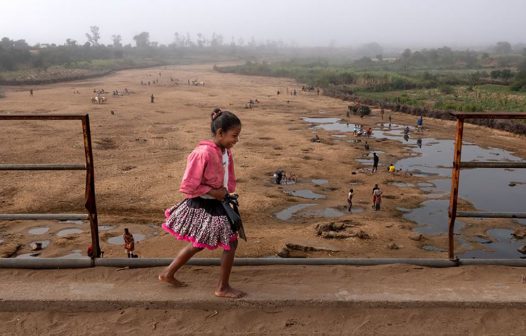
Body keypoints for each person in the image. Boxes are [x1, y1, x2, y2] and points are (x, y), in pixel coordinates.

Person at [159, 109, 245, 298]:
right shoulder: (202, 153)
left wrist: (226, 191)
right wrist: (214, 192)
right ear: (220, 133)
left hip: (216, 203)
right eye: (234, 136)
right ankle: (222, 288)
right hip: (205, 204)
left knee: (199, 243)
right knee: (231, 242)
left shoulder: (225, 151)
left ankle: (168, 273)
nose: (236, 141)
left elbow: (226, 174)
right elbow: (188, 185)